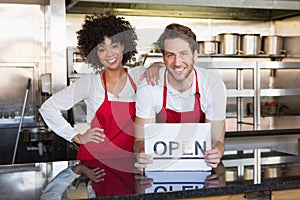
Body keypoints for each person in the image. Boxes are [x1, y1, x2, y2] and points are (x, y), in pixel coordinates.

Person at [39, 13, 161, 162]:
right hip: (95, 162)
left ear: (123, 46)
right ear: (95, 53)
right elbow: (48, 108)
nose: (109, 54)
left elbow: (172, 69)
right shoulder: (89, 83)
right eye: (102, 49)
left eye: (114, 46)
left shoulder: (138, 76)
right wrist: (76, 136)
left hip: (131, 159)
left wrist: (156, 65)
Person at [134, 23, 227, 170]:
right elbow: (140, 140)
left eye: (184, 53)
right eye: (170, 55)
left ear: (195, 55)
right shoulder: (149, 86)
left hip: (200, 166)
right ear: (163, 58)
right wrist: (141, 153)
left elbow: (217, 141)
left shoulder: (213, 85)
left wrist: (217, 152)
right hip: (160, 167)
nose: (177, 63)